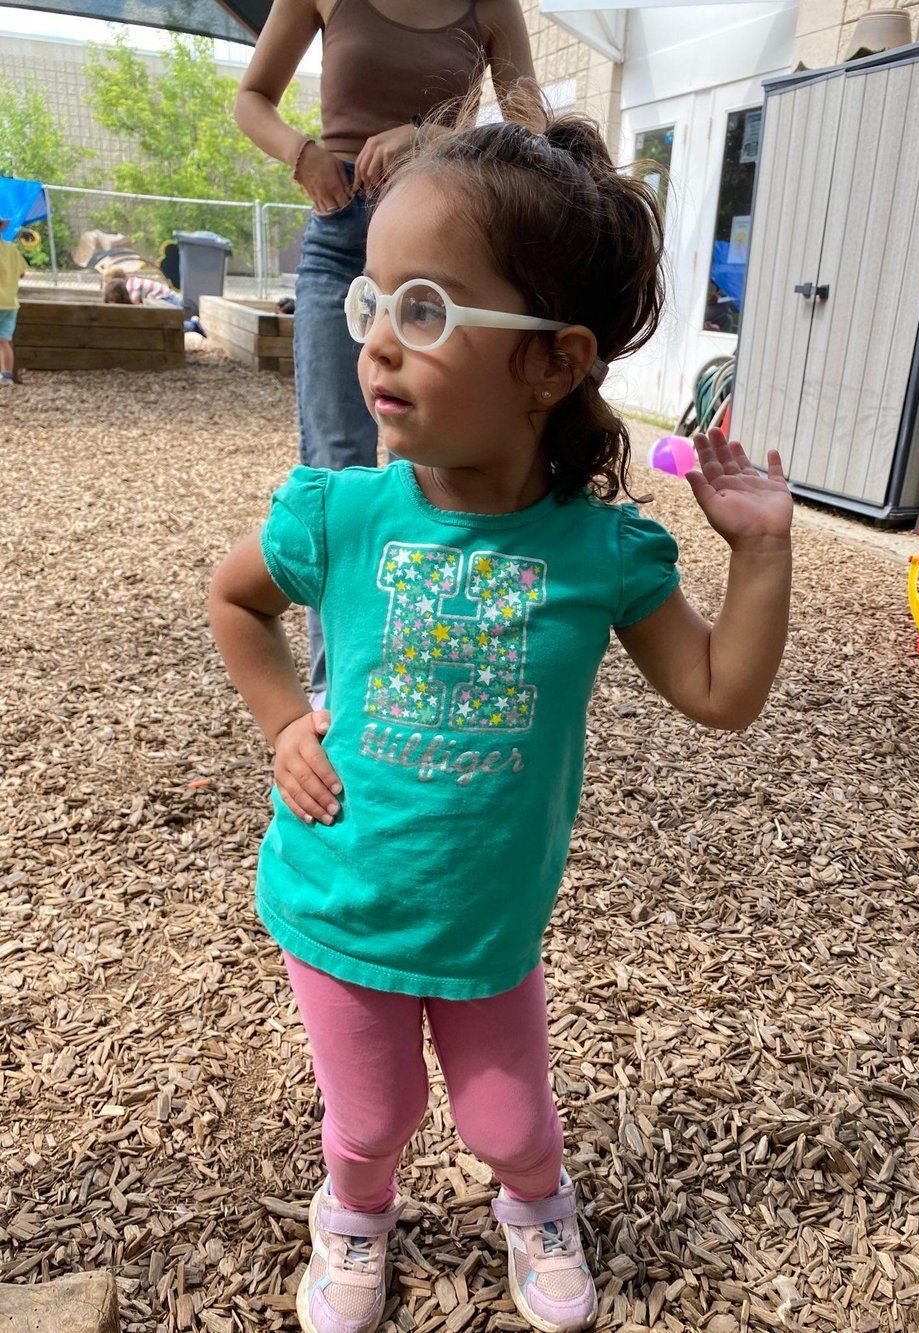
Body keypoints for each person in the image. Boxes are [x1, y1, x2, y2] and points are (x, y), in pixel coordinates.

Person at [210, 104, 793, 1333]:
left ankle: (536, 1199)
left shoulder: (599, 553)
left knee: (510, 1123)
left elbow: (719, 696)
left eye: (424, 311)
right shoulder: (340, 514)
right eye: (373, 304)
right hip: (340, 897)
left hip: (487, 924)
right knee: (367, 1119)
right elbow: (233, 603)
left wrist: (763, 554)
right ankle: (354, 1213)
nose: (376, 345)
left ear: (552, 362)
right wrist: (280, 724)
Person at [234, 0, 540, 710]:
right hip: (340, 230)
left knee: (429, 466)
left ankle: (415, 668)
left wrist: (430, 135)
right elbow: (251, 100)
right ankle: (332, 691)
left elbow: (533, 126)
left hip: (446, 244)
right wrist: (301, 154)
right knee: (333, 462)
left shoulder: (492, 4)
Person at [103, 274, 206, 337]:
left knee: (170, 322)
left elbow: (134, 304)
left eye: (114, 300)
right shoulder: (130, 284)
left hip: (167, 300)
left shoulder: (131, 285)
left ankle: (192, 324)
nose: (113, 303)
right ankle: (190, 324)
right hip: (163, 299)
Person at [0, 218, 28, 387]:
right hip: (10, 302)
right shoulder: (12, 249)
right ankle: (7, 376)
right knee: (4, 341)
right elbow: (22, 273)